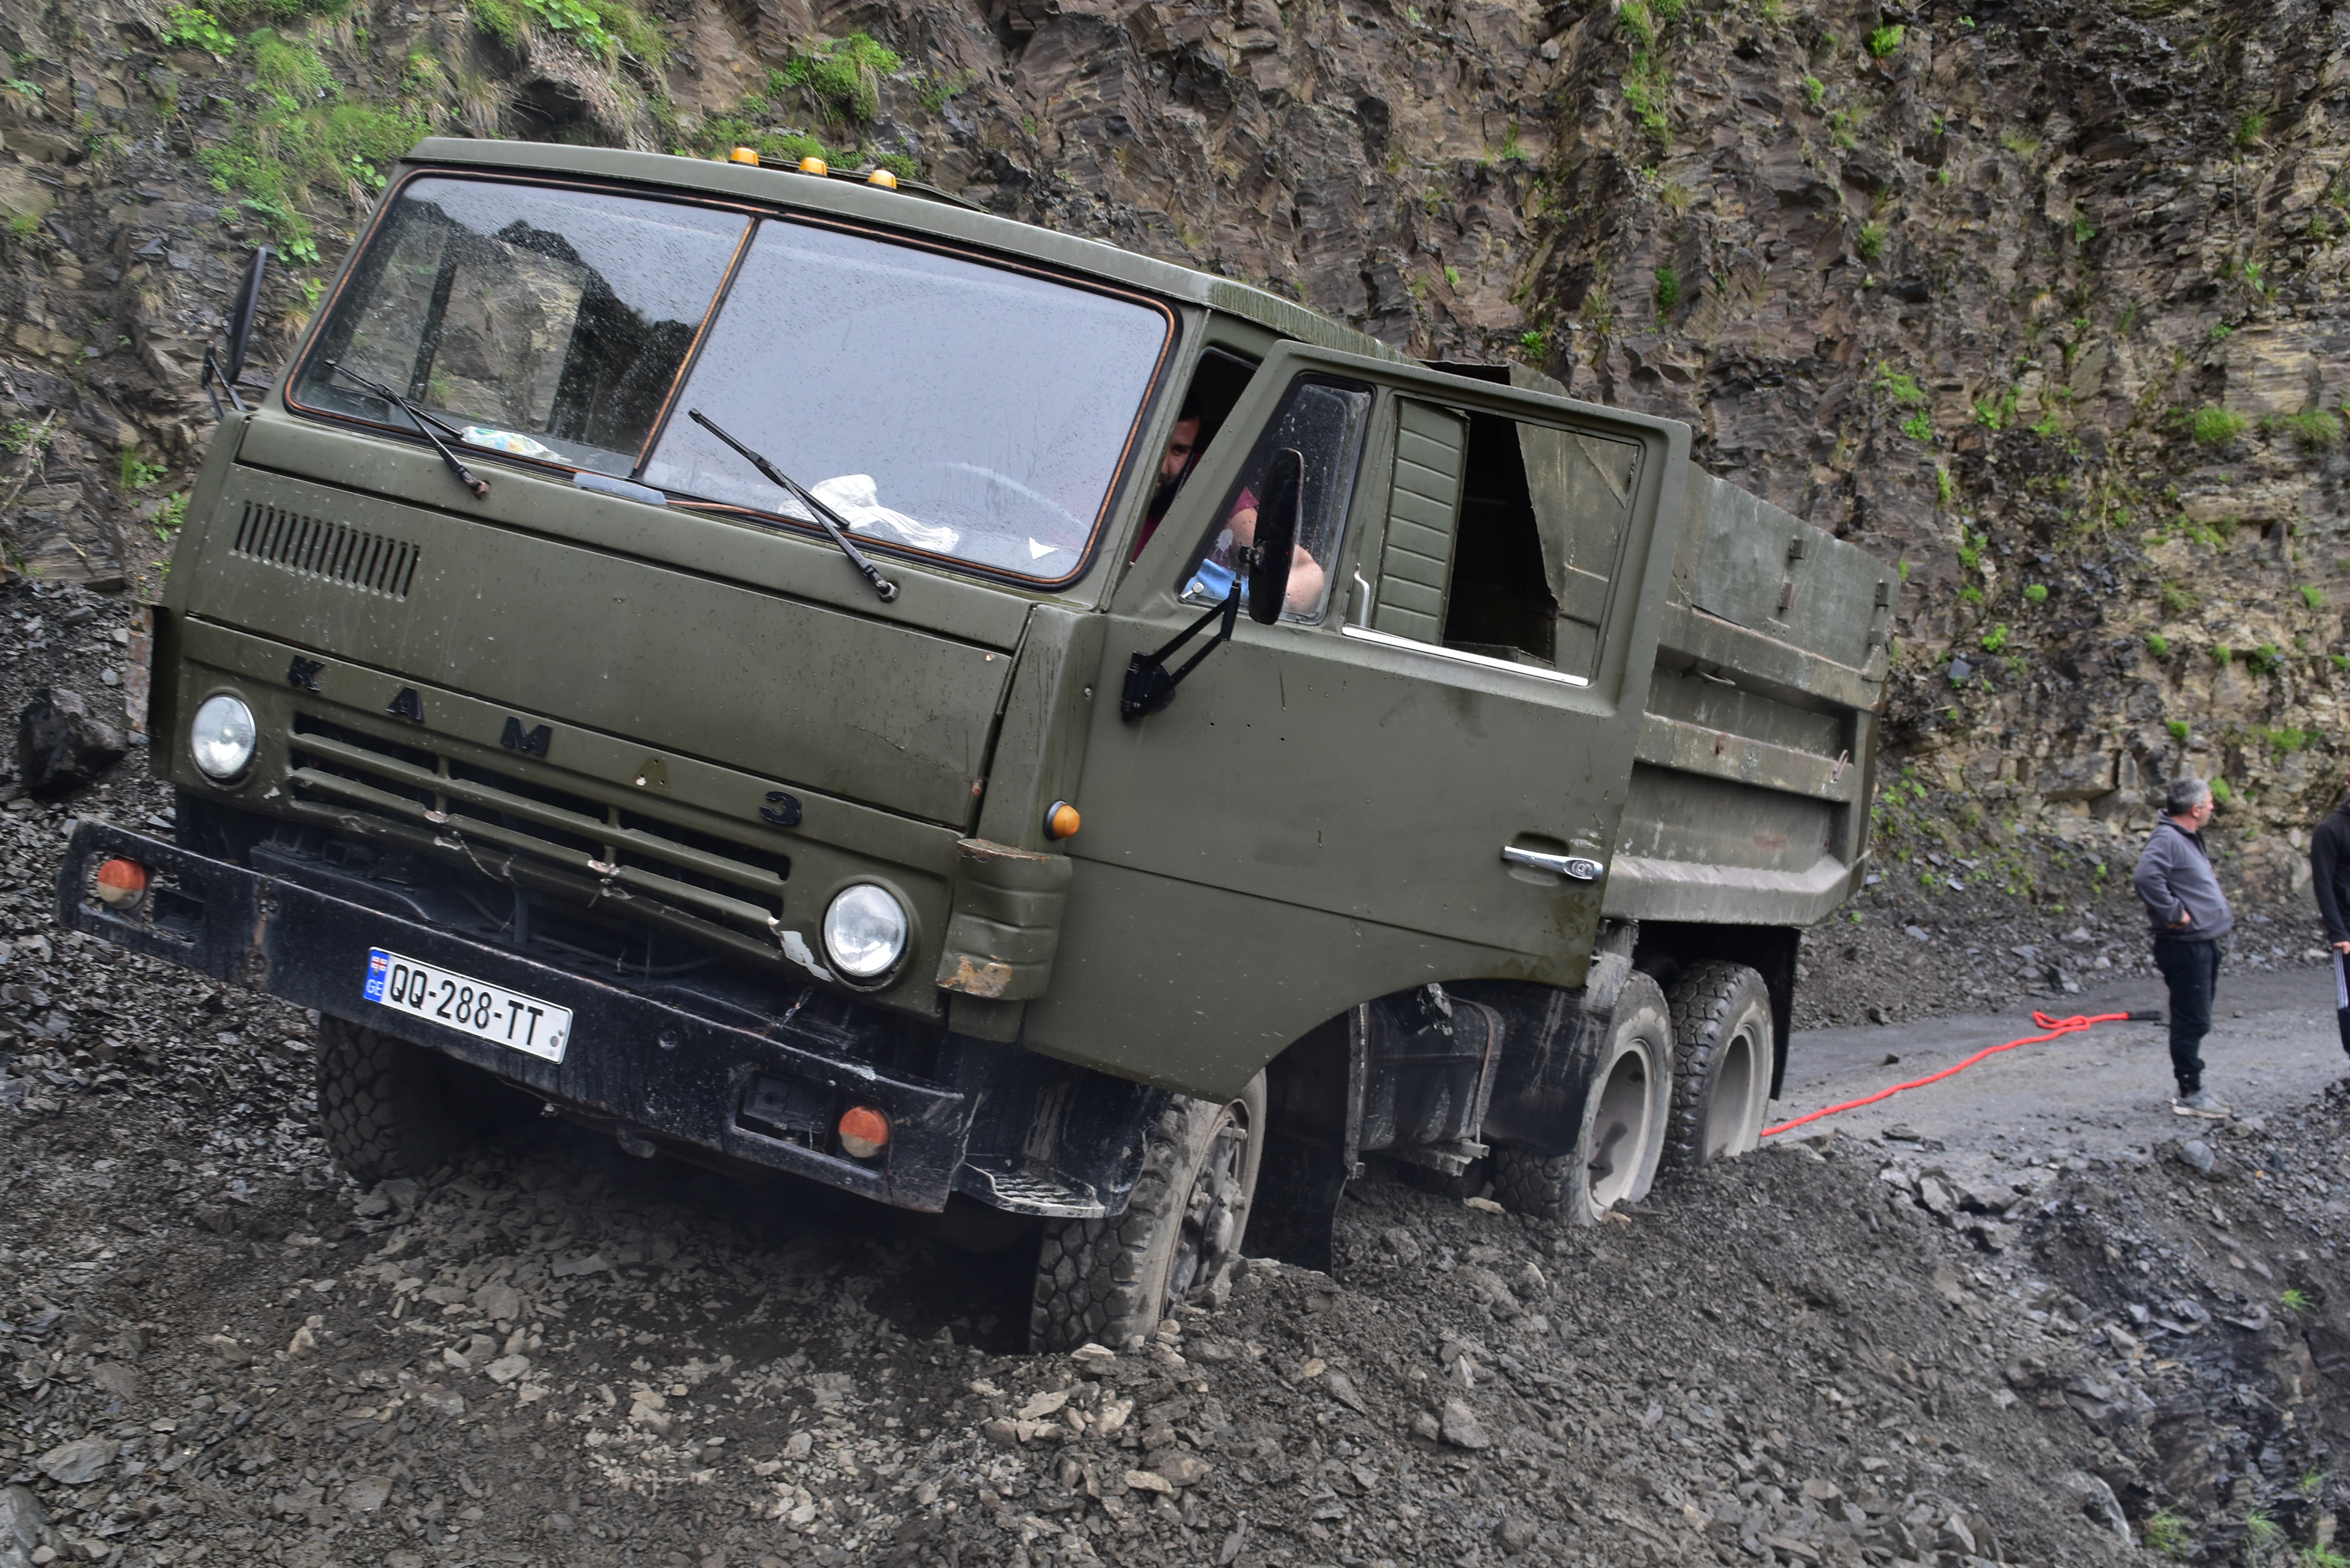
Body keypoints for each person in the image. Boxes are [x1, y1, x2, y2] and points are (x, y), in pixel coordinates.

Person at [2133, 776, 2235, 1115]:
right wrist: (2174, 913)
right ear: (2195, 809)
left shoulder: (2185, 838)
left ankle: (2193, 1088)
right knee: (2191, 1019)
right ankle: (2190, 1092)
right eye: (2209, 803)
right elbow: (2146, 876)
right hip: (2185, 945)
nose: (2213, 807)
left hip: (2201, 943)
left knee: (2197, 1017)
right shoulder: (2168, 839)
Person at [2308, 764, 2350, 1064]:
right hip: (2348, 929)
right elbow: (2323, 884)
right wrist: (2337, 931)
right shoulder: (2331, 830)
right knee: (2349, 1000)